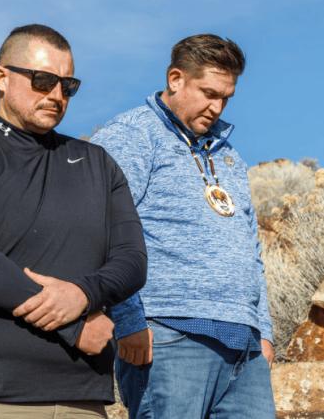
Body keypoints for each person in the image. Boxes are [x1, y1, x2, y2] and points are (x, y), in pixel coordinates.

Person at [0, 24, 147, 418]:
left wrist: (84, 294)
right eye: (42, 80)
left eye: (68, 86)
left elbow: (132, 260)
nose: (56, 95)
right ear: (1, 78)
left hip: (82, 402)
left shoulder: (98, 164)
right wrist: (73, 325)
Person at [90, 34, 275, 418]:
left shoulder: (229, 155)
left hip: (245, 346)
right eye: (209, 93)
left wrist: (264, 331)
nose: (217, 107)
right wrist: (128, 320)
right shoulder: (130, 135)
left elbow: (251, 247)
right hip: (167, 335)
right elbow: (102, 228)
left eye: (226, 97)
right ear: (176, 79)